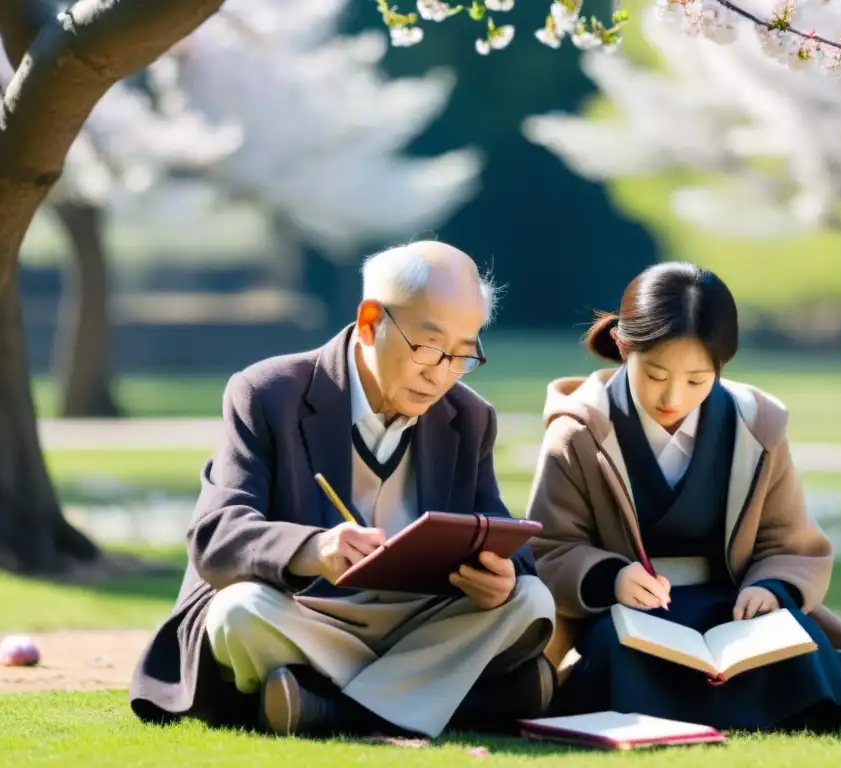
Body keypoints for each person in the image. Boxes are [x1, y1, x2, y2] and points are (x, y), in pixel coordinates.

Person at [129, 241, 557, 740]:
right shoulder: (268, 393)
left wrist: (503, 576)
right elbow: (216, 536)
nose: (440, 374)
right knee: (237, 611)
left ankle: (325, 709)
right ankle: (453, 699)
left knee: (530, 599)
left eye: (462, 354)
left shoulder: (469, 417)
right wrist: (313, 548)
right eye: (427, 347)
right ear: (372, 320)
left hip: (418, 623)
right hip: (304, 613)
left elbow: (501, 532)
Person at [524, 262, 841, 732]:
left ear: (722, 365)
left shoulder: (756, 426)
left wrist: (770, 589)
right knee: (619, 654)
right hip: (630, 614)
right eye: (655, 374)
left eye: (697, 380)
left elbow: (789, 542)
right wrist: (610, 578)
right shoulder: (578, 432)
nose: (673, 396)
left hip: (732, 603)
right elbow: (550, 547)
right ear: (621, 344)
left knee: (797, 642)